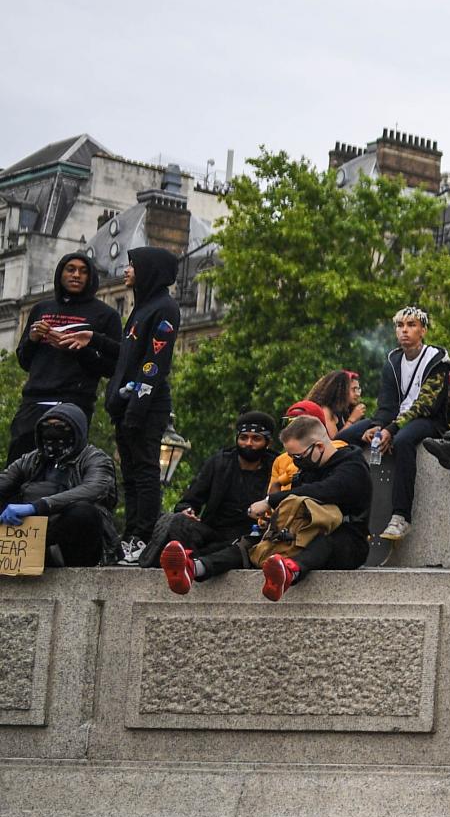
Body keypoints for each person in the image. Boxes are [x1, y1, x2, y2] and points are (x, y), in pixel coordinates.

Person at [106, 244, 181, 562]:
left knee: (147, 470)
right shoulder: (142, 308)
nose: (126, 271)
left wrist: (137, 407)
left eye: (132, 265)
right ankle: (129, 534)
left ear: (149, 271)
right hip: (126, 405)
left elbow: (154, 362)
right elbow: (128, 355)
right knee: (131, 474)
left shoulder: (164, 308)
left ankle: (142, 536)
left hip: (146, 406)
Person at [251, 413, 373, 601]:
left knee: (326, 541)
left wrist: (270, 500)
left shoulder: (352, 467)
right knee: (254, 539)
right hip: (305, 533)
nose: (295, 462)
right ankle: (199, 566)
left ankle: (292, 572)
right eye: (291, 457)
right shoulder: (307, 470)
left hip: (348, 541)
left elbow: (323, 490)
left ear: (319, 447)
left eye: (298, 456)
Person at [153, 410, 277, 592]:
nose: (248, 443)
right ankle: (184, 564)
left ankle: (195, 565)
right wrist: (188, 511)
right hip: (214, 532)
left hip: (251, 537)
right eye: (244, 437)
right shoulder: (219, 462)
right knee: (177, 521)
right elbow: (189, 500)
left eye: (256, 438)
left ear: (268, 442)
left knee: (247, 547)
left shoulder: (277, 465)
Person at [11, 254, 120, 459]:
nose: (76, 275)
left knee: (61, 468)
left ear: (91, 277)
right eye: (70, 269)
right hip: (34, 402)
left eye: (83, 271)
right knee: (19, 465)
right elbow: (24, 361)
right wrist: (33, 339)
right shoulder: (41, 309)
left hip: (74, 403)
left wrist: (78, 349)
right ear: (60, 273)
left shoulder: (106, 315)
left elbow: (111, 367)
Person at [368, 308, 450, 541]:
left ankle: (401, 517)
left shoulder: (437, 359)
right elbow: (386, 403)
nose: (404, 330)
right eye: (400, 325)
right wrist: (378, 426)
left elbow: (426, 404)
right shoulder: (392, 361)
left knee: (404, 440)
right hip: (396, 421)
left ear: (423, 330)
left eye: (411, 325)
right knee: (351, 436)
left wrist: (391, 429)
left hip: (429, 421)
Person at [0, 402, 119, 566]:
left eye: (59, 426)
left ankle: (50, 551)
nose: (52, 431)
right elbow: (4, 482)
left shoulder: (95, 458)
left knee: (84, 513)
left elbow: (94, 489)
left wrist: (39, 506)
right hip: (31, 534)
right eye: (47, 426)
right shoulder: (32, 459)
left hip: (75, 540)